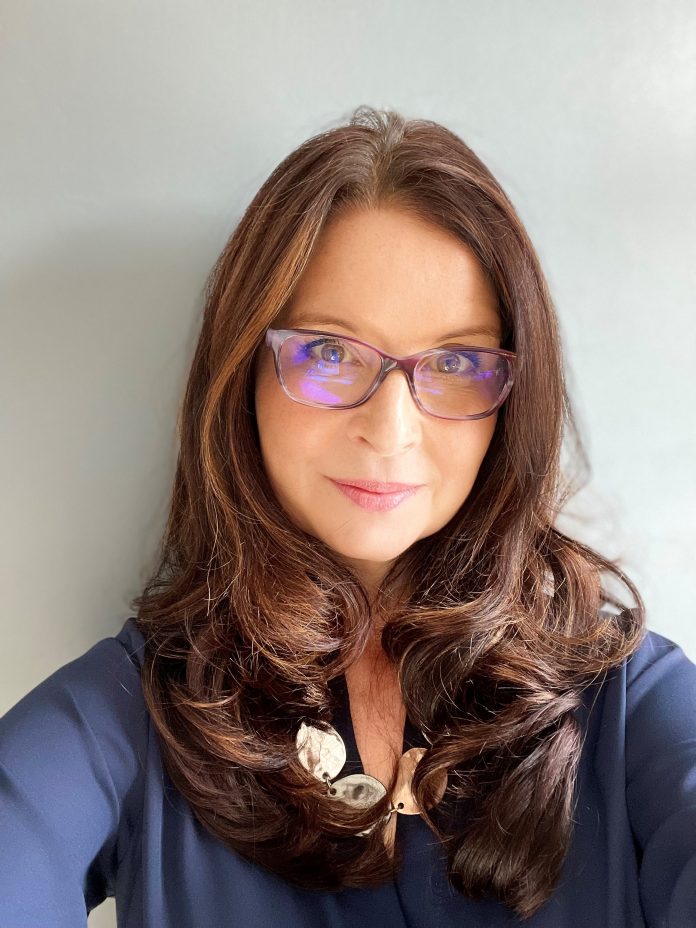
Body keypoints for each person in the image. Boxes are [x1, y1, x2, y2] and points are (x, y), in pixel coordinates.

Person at [1, 106, 695, 928]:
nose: (391, 430)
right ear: (243, 373)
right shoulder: (131, 716)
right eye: (329, 350)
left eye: (457, 361)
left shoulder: (632, 707)